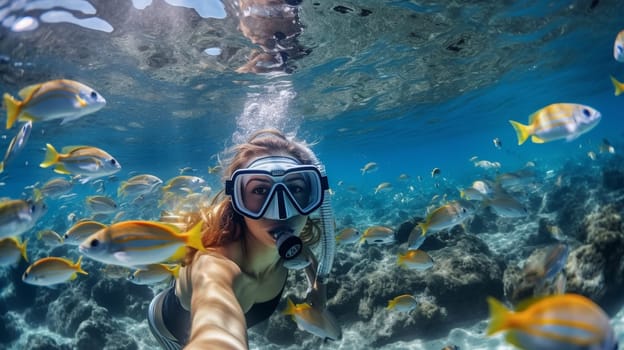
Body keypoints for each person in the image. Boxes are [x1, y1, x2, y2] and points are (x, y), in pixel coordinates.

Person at [148, 129, 337, 349]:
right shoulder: (213, 266)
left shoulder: (287, 245)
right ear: (237, 200)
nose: (281, 211)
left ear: (313, 195)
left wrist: (318, 287)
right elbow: (217, 323)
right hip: (169, 334)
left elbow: (304, 253)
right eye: (259, 190)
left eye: (295, 188)